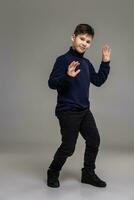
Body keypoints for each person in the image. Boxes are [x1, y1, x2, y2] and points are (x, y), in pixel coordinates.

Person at [47, 24, 111, 188]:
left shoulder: (87, 63)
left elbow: (98, 81)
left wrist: (105, 62)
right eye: (82, 38)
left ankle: (88, 174)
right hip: (67, 111)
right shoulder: (63, 60)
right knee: (68, 147)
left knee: (94, 140)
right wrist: (67, 76)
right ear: (73, 37)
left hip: (84, 111)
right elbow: (52, 83)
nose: (84, 43)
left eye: (88, 41)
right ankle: (53, 172)